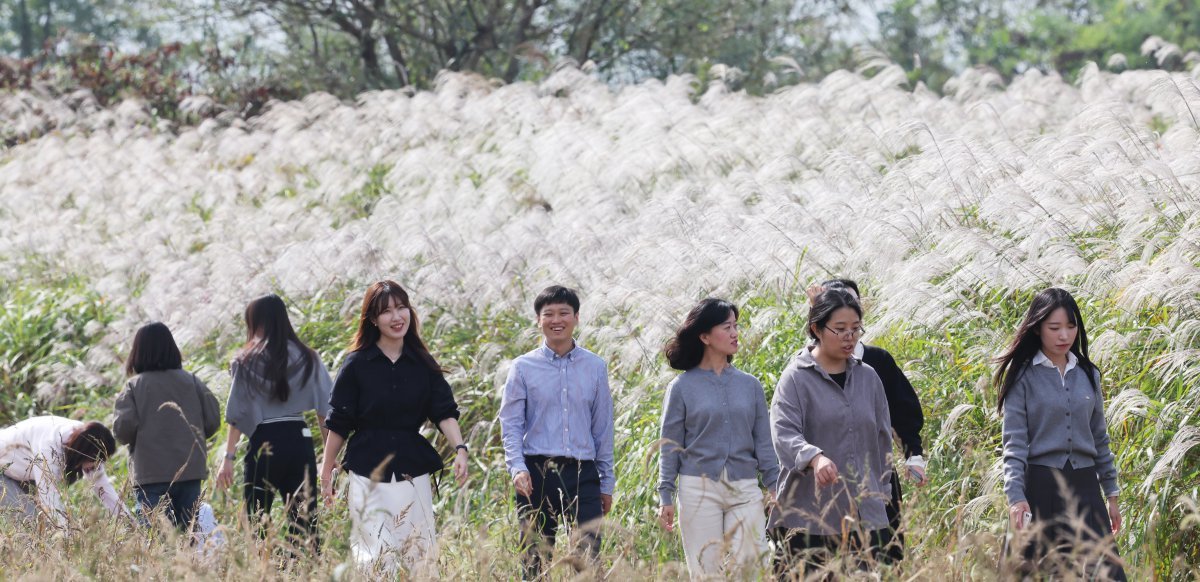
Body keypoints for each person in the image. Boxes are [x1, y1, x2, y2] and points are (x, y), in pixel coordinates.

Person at [319, 280, 468, 576]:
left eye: (402, 308)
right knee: (374, 558)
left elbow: (443, 411)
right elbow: (339, 421)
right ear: (373, 319)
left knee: (421, 554)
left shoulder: (422, 363)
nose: (396, 317)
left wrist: (460, 449)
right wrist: (326, 471)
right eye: (386, 311)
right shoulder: (356, 364)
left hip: (413, 470)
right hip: (366, 471)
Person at [996, 287, 1126, 580]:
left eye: (1071, 327)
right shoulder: (1023, 377)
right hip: (1040, 490)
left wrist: (1112, 493)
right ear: (1038, 328)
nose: (1064, 335)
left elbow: (1100, 438)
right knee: (1037, 573)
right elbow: (1014, 444)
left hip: (1085, 488)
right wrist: (1016, 497)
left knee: (1103, 574)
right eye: (1054, 328)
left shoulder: (1088, 375)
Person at [770, 288, 893, 575]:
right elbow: (783, 433)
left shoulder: (868, 377)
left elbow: (882, 440)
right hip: (810, 516)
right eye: (840, 329)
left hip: (866, 514)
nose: (849, 336)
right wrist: (814, 458)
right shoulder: (795, 378)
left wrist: (882, 493)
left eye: (855, 329)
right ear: (816, 329)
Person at [657, 298, 779, 578]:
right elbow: (669, 446)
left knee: (751, 569)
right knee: (707, 573)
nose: (736, 333)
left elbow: (764, 442)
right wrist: (665, 495)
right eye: (727, 327)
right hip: (697, 490)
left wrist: (774, 485)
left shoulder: (751, 386)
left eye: (736, 326)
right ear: (704, 336)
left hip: (745, 489)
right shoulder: (681, 388)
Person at [499, 285, 615, 578]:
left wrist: (606, 482)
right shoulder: (523, 367)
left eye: (564, 312)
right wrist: (516, 468)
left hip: (582, 473)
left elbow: (602, 427)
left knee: (588, 559)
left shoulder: (595, 366)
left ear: (576, 317)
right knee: (534, 560)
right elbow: (511, 422)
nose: (556, 319)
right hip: (535, 474)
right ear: (538, 320)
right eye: (548, 314)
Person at [814, 279, 926, 562]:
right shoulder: (806, 366)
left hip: (878, 473)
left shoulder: (877, 360)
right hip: (829, 478)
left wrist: (914, 454)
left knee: (886, 554)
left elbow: (905, 410)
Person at [215, 294, 332, 551]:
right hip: (299, 440)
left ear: (254, 322)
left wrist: (229, 458)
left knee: (255, 521)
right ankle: (305, 574)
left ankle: (265, 572)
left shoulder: (246, 361)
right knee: (305, 523)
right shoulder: (309, 357)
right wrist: (328, 457)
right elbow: (325, 411)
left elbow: (237, 412)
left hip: (263, 441)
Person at [113, 322, 221, 530]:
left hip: (150, 473)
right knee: (189, 533)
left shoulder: (134, 387)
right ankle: (189, 564)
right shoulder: (192, 381)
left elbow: (123, 431)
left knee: (155, 537)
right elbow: (213, 421)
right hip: (190, 470)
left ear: (138, 353)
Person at [0, 416, 128, 527]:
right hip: (3, 470)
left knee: (43, 527)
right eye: (97, 460)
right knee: (30, 523)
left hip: (22, 472)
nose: (98, 465)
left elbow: (104, 490)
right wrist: (68, 539)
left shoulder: (83, 439)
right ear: (85, 454)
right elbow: (50, 500)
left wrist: (131, 525)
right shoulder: (49, 447)